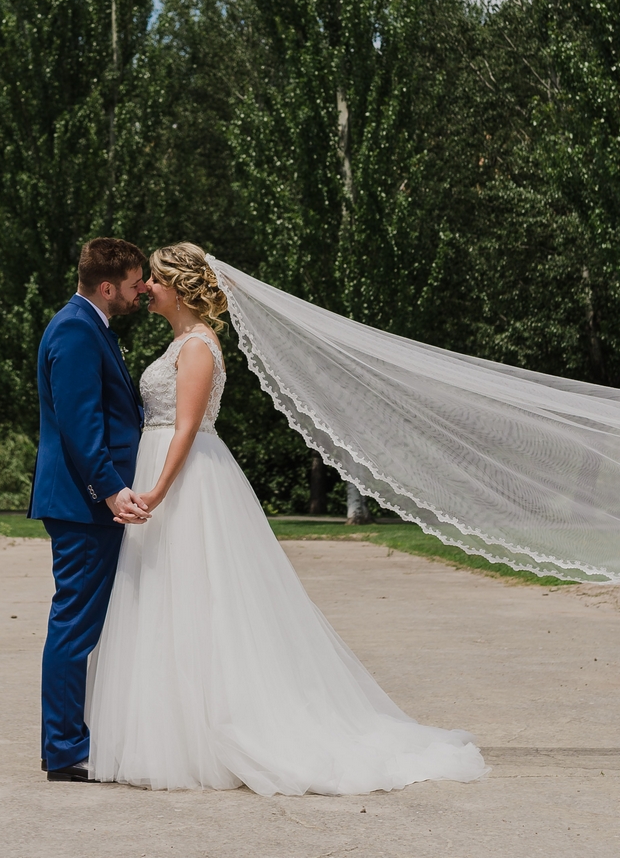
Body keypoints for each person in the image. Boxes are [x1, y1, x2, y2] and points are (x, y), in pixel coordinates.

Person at [83, 242, 488, 795]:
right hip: (163, 472)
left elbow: (186, 428)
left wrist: (153, 490)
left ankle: (211, 732)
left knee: (203, 599)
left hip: (185, 479)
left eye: (154, 278)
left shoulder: (199, 347)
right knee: (163, 600)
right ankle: (168, 729)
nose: (146, 287)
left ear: (178, 285)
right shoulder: (178, 342)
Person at [30, 236, 152, 782]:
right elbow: (81, 427)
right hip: (83, 506)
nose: (140, 291)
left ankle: (64, 743)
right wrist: (109, 490)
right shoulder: (77, 330)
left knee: (79, 623)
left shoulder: (89, 325)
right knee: (74, 625)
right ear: (108, 286)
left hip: (87, 503)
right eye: (133, 284)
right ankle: (63, 752)